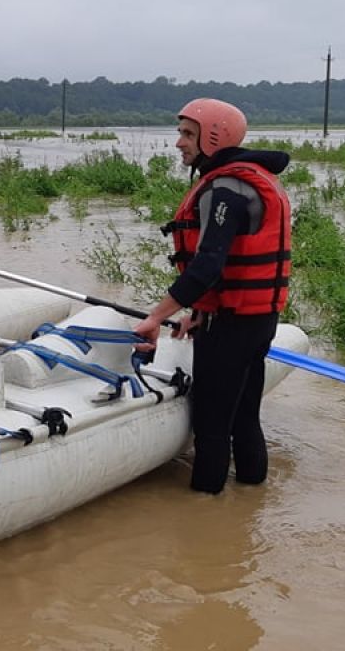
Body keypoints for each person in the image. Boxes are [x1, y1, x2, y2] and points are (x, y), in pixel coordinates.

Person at [132, 98, 292, 494]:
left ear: (214, 137)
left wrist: (156, 317)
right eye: (180, 133)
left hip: (232, 327)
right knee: (244, 416)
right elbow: (231, 262)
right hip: (255, 320)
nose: (179, 143)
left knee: (212, 424)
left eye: (188, 133)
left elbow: (207, 266)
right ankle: (251, 500)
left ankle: (205, 518)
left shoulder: (225, 188)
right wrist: (202, 310)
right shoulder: (251, 178)